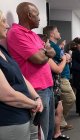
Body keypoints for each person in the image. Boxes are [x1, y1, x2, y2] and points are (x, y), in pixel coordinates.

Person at [7, 2, 56, 140]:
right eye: (37, 15)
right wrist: (46, 53)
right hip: (36, 91)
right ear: (29, 15)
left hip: (47, 87)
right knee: (41, 133)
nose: (39, 18)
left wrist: (45, 52)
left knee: (48, 130)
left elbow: (50, 51)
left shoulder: (33, 35)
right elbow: (38, 59)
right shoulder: (16, 33)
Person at [0, 10, 43, 140]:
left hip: (25, 113)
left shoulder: (2, 49)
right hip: (10, 120)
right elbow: (7, 95)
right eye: (3, 21)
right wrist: (34, 104)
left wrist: (36, 97)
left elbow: (20, 76)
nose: (7, 25)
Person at [43, 26, 75, 132]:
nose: (59, 32)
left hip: (63, 76)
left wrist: (65, 57)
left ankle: (60, 121)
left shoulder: (56, 46)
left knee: (60, 102)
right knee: (70, 98)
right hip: (60, 77)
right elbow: (64, 58)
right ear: (51, 34)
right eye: (57, 31)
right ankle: (59, 119)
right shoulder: (52, 46)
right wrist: (66, 58)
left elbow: (65, 58)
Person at [38, 34, 70, 140]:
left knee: (58, 110)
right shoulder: (44, 56)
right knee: (50, 117)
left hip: (54, 86)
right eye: (47, 43)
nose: (49, 45)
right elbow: (58, 69)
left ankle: (57, 133)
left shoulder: (48, 55)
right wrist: (64, 59)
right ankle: (55, 134)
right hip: (51, 88)